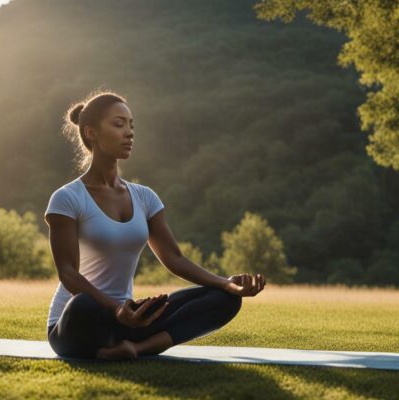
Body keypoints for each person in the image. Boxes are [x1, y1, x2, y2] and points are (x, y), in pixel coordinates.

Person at [43, 89, 266, 360]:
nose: (129, 132)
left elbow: (174, 258)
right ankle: (109, 344)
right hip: (77, 324)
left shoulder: (144, 197)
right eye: (118, 124)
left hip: (129, 319)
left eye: (131, 125)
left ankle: (134, 349)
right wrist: (116, 309)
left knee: (224, 299)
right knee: (84, 305)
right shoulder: (67, 198)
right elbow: (68, 274)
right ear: (91, 133)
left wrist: (226, 283)